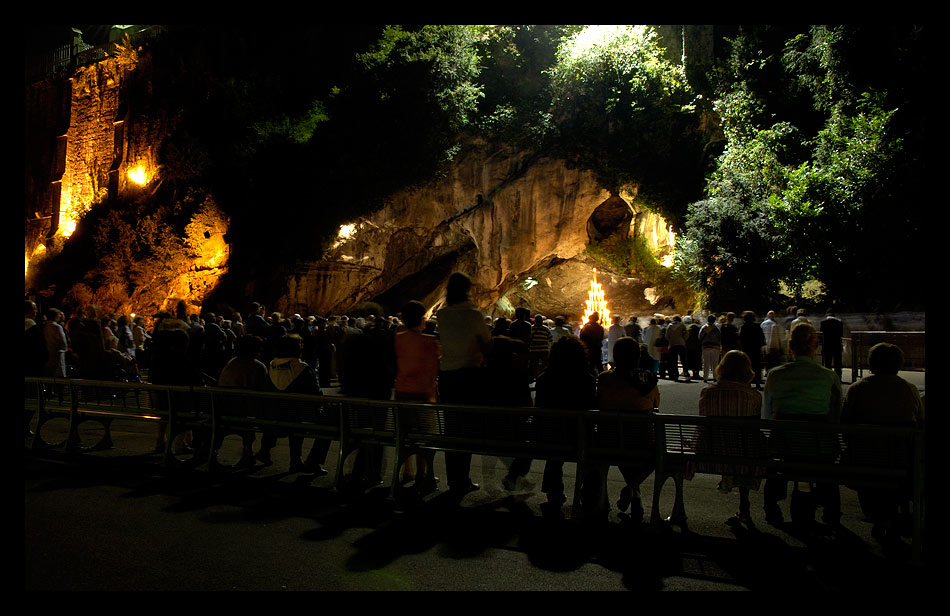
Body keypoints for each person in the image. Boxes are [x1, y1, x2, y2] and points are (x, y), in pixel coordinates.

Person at [841, 343, 924, 546]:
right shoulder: (909, 389)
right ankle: (891, 515)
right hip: (900, 461)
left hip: (863, 459)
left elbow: (845, 425)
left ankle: (879, 516)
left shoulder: (857, 389)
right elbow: (920, 423)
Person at [762, 321, 843, 527]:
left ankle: (771, 506)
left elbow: (768, 412)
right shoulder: (829, 376)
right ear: (815, 346)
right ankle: (831, 509)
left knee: (776, 467)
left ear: (790, 346)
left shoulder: (776, 375)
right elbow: (836, 414)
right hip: (819, 445)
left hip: (784, 444)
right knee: (827, 469)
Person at [689, 350, 763, 527]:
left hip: (710, 452)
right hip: (743, 455)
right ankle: (744, 504)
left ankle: (727, 480)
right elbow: (755, 427)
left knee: (728, 440)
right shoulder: (753, 395)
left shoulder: (708, 392)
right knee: (747, 443)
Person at [436, 272, 491, 494]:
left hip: (447, 376)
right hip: (469, 375)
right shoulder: (473, 314)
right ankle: (462, 479)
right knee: (466, 429)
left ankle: (453, 479)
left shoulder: (442, 315)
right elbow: (486, 342)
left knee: (451, 428)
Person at [595, 337, 660, 522]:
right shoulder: (648, 378)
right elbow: (656, 404)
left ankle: (634, 495)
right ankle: (632, 487)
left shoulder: (605, 378)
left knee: (621, 443)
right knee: (650, 450)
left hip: (607, 442)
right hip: (641, 441)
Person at [534, 335, 597, 518]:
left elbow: (539, 406)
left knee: (554, 455)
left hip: (549, 435)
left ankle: (553, 492)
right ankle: (588, 494)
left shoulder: (544, 378)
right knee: (592, 457)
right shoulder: (587, 379)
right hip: (579, 436)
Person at [256, 333, 331, 475]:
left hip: (268, 418)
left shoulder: (271, 366)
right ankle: (298, 459)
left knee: (277, 406)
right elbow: (317, 394)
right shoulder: (303, 369)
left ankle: (265, 449)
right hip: (296, 418)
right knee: (302, 414)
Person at [394, 300, 441, 492]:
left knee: (405, 434)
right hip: (423, 395)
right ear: (422, 319)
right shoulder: (429, 342)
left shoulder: (397, 339)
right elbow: (434, 369)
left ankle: (408, 471)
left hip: (402, 392)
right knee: (426, 436)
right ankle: (424, 473)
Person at [738, 311, 766, 389]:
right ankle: (757, 383)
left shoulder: (743, 327)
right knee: (756, 367)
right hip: (756, 349)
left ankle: (748, 383)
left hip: (747, 349)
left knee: (747, 367)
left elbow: (740, 339)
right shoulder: (757, 327)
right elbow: (762, 338)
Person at [43, 308, 69, 378]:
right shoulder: (57, 327)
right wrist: (65, 348)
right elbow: (63, 341)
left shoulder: (45, 326)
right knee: (59, 373)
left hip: (48, 351)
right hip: (58, 352)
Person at [819, 309, 844, 379]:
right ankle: (838, 377)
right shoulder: (839, 322)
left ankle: (828, 377)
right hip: (837, 344)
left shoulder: (823, 322)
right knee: (838, 362)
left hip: (827, 344)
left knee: (827, 362)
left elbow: (821, 334)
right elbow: (841, 334)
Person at [528, 313, 553, 380]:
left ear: (535, 321)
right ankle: (542, 377)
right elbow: (550, 339)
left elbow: (528, 338)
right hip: (544, 350)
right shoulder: (546, 329)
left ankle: (535, 377)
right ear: (542, 321)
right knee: (544, 364)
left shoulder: (531, 328)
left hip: (533, 350)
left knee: (534, 364)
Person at [698, 315, 721, 383]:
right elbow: (719, 337)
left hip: (706, 346)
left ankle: (705, 377)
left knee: (706, 363)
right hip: (715, 347)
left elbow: (700, 336)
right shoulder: (716, 328)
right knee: (715, 363)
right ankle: (715, 377)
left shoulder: (704, 327)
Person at [665, 315, 689, 381]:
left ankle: (676, 374)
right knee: (683, 359)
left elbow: (666, 336)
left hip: (672, 345)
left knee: (674, 360)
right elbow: (686, 334)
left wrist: (671, 340)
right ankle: (686, 372)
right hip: (681, 344)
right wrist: (683, 339)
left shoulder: (669, 326)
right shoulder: (682, 325)